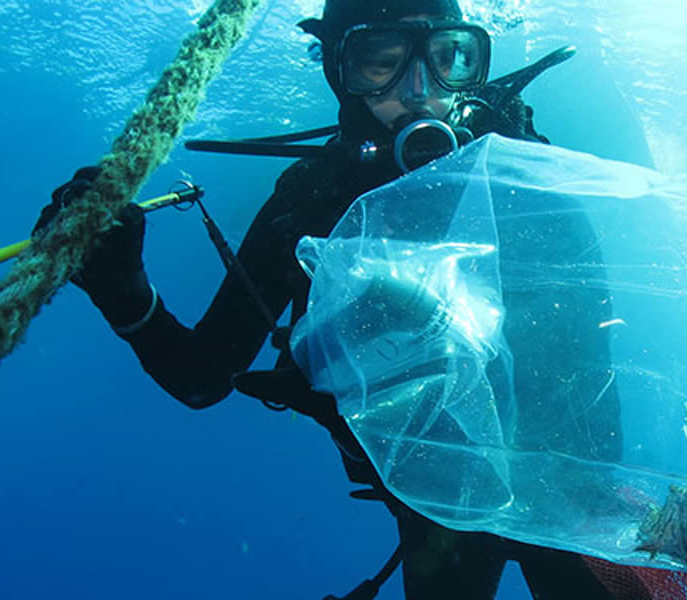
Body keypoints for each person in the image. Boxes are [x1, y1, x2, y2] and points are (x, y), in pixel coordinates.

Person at [37, 1, 623, 598]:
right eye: (382, 62)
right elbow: (203, 377)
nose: (421, 91)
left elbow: (598, 395)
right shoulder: (311, 204)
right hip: (432, 507)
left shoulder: (528, 183)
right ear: (339, 70)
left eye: (449, 58)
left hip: (570, 499)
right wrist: (123, 291)